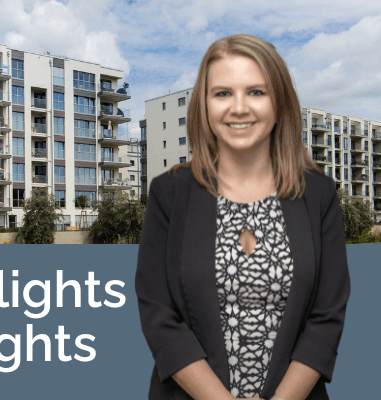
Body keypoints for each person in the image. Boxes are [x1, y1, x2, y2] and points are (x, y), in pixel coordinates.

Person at [135, 34, 350, 400]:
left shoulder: (318, 194)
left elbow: (326, 318)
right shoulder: (169, 192)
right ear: (203, 105)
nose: (239, 108)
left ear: (280, 102)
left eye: (256, 92)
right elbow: (159, 315)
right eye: (222, 93)